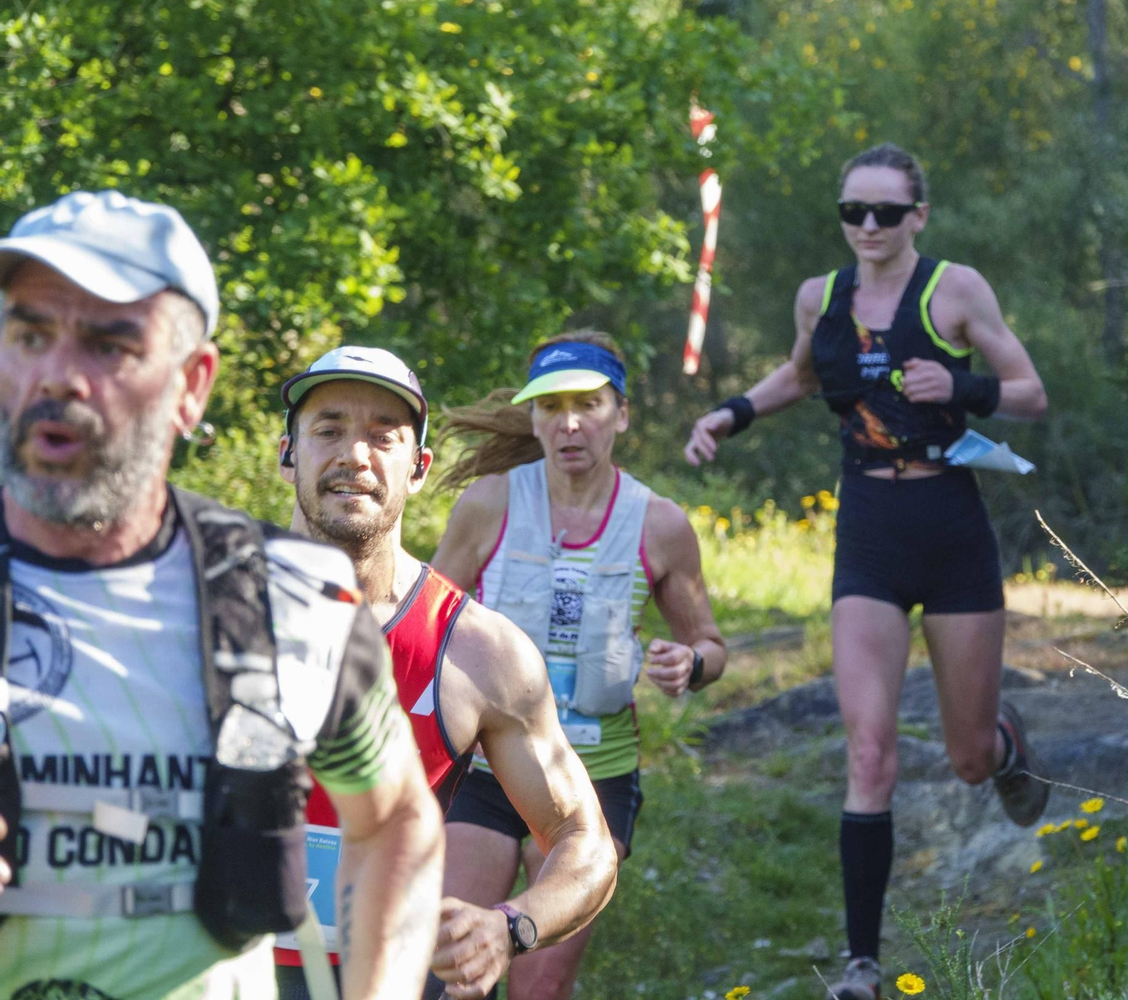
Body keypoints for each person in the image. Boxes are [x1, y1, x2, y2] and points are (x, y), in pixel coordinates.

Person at [0, 190, 445, 999]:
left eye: (109, 344)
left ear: (192, 386)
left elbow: (397, 825)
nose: (57, 375)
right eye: (29, 334)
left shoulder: (290, 599)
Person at [683, 143, 1052, 1000]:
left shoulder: (954, 290)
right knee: (871, 751)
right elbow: (802, 377)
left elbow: (1030, 390)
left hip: (951, 525)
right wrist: (728, 415)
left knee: (963, 758)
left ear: (918, 216)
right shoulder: (824, 296)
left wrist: (959, 386)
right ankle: (861, 966)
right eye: (856, 212)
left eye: (888, 212)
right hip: (870, 532)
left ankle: (1004, 745)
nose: (871, 227)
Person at [272, 346, 618, 1000]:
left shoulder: (477, 652)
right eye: (328, 430)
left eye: (383, 438)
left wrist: (508, 927)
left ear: (419, 469)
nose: (355, 455)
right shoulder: (203, 613)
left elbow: (586, 841)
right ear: (289, 452)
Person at [429, 330, 727, 1000]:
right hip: (483, 765)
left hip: (594, 776)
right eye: (551, 406)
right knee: (448, 974)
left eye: (589, 405)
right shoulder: (490, 504)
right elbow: (426, 630)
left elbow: (711, 644)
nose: (569, 424)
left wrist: (690, 663)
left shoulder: (661, 523)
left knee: (538, 986)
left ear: (621, 414)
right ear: (531, 418)